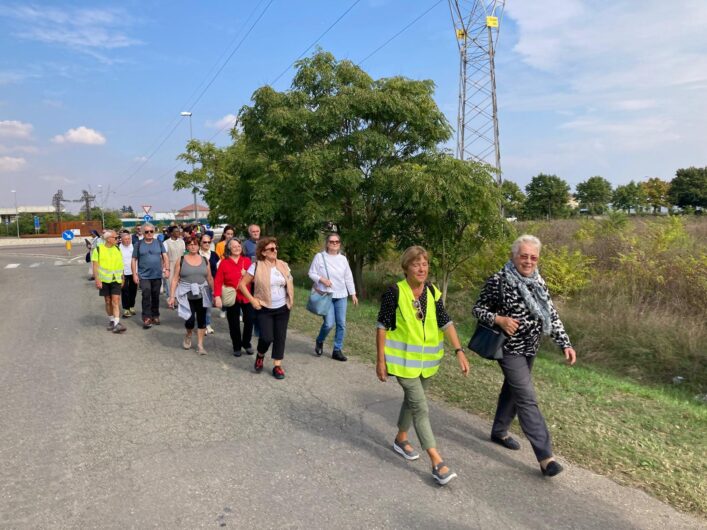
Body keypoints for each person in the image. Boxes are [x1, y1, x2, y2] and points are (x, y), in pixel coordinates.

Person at [472, 234, 577, 477]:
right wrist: (499, 319)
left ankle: (499, 431)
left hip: (531, 347)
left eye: (533, 257)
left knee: (514, 389)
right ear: (513, 256)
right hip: (508, 348)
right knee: (526, 396)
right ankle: (545, 457)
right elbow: (477, 309)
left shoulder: (539, 282)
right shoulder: (499, 280)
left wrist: (565, 344)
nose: (528, 261)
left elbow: (550, 314)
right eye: (524, 256)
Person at [376, 246, 469, 485]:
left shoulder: (432, 292)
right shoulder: (394, 292)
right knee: (421, 407)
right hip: (402, 363)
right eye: (416, 264)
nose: (422, 268)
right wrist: (380, 361)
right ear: (406, 267)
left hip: (426, 364)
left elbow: (445, 322)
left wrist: (459, 351)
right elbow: (382, 327)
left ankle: (400, 438)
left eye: (425, 264)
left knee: (412, 401)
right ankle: (437, 462)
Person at [238, 237, 293, 380]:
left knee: (280, 337)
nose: (275, 251)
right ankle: (260, 355)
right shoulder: (256, 266)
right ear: (263, 252)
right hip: (264, 307)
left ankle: (277, 366)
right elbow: (242, 285)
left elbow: (289, 282)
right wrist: (252, 300)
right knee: (267, 337)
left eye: (276, 248)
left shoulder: (283, 265)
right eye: (271, 249)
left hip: (282, 307)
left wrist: (290, 299)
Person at [308, 233, 358, 361]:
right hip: (327, 295)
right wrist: (322, 279)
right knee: (329, 323)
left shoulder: (343, 259)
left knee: (341, 324)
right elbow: (311, 273)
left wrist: (353, 294)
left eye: (337, 242)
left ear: (340, 244)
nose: (334, 243)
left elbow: (348, 277)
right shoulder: (320, 257)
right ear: (327, 243)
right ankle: (320, 340)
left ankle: (337, 350)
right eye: (331, 241)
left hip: (341, 296)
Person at [168, 236, 214, 355]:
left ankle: (200, 344)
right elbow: (175, 279)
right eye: (190, 244)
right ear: (187, 246)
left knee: (202, 319)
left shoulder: (205, 260)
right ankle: (189, 334)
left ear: (199, 246)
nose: (193, 246)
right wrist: (172, 296)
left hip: (202, 292)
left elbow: (209, 277)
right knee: (190, 320)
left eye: (195, 244)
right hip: (186, 293)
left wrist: (214, 293)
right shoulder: (181, 260)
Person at [214, 238, 255, 356]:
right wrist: (217, 296)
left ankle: (246, 343)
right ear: (229, 249)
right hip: (231, 296)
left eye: (238, 246)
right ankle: (236, 346)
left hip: (246, 295)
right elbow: (218, 281)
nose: (237, 248)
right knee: (233, 322)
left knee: (250, 319)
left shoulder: (247, 261)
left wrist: (246, 275)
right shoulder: (224, 262)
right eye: (234, 246)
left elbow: (255, 278)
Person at [131, 222, 169, 329]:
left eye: (151, 231)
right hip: (144, 275)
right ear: (142, 233)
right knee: (146, 294)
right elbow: (134, 260)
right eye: (146, 232)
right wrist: (134, 274)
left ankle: (155, 315)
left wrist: (167, 269)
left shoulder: (159, 243)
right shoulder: (138, 244)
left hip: (157, 275)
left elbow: (165, 256)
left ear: (154, 232)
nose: (149, 233)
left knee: (156, 295)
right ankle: (146, 317)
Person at [91, 229, 126, 334]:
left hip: (116, 279)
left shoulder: (117, 249)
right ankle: (111, 320)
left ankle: (117, 323)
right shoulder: (98, 249)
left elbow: (121, 264)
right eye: (115, 238)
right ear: (108, 239)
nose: (117, 239)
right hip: (104, 280)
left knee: (115, 301)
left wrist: (123, 277)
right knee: (107, 301)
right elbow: (95, 266)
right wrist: (97, 280)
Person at [199, 232, 220, 334]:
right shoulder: (196, 254)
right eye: (204, 242)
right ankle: (200, 325)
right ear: (200, 243)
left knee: (208, 306)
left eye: (208, 242)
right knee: (199, 306)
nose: (207, 244)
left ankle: (207, 324)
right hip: (198, 284)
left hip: (211, 283)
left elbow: (219, 269)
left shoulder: (214, 255)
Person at [118, 230, 137, 318]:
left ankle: (132, 306)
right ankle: (126, 308)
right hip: (123, 272)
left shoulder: (134, 246)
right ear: (121, 240)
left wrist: (137, 273)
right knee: (124, 290)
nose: (127, 241)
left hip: (133, 272)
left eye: (129, 239)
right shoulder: (118, 248)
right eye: (125, 239)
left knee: (133, 290)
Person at [163, 226, 185, 298]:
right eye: (176, 231)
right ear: (171, 233)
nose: (178, 233)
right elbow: (164, 256)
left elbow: (184, 253)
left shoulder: (182, 241)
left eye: (179, 231)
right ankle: (172, 300)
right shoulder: (166, 243)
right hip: (171, 265)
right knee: (171, 283)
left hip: (182, 265)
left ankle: (180, 300)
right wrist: (165, 268)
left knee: (181, 283)